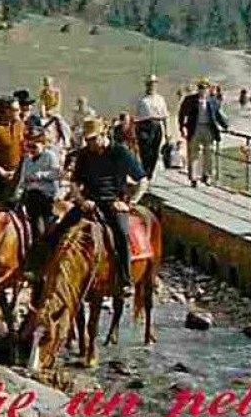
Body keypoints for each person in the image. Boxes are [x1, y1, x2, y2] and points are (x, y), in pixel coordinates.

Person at [60, 117, 148, 292]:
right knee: (60, 227)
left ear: (103, 134)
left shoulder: (120, 152)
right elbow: (74, 183)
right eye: (87, 139)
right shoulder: (85, 154)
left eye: (93, 139)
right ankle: (41, 267)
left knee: (121, 234)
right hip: (90, 201)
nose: (90, 143)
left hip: (114, 202)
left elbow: (143, 180)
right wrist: (81, 201)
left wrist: (130, 203)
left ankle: (126, 279)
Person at [178, 78, 229, 188]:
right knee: (194, 153)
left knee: (209, 153)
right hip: (194, 128)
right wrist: (182, 126)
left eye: (205, 88)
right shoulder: (190, 100)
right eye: (201, 88)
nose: (203, 90)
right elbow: (182, 113)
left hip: (208, 128)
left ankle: (207, 175)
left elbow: (218, 115)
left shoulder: (213, 101)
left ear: (208, 89)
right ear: (198, 89)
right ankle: (194, 177)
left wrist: (226, 126)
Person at [19, 120, 62, 244]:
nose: (31, 150)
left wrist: (40, 175)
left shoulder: (50, 156)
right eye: (29, 146)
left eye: (34, 147)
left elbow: (56, 173)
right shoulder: (27, 159)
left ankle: (40, 243)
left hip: (45, 195)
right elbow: (22, 179)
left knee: (39, 223)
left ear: (43, 144)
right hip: (29, 194)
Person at [135, 74, 169, 180]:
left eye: (153, 84)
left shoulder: (160, 99)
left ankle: (150, 173)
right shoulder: (142, 99)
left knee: (154, 150)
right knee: (145, 150)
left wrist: (167, 131)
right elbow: (136, 116)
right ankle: (145, 171)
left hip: (156, 125)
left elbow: (165, 116)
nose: (151, 86)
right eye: (149, 84)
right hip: (144, 125)